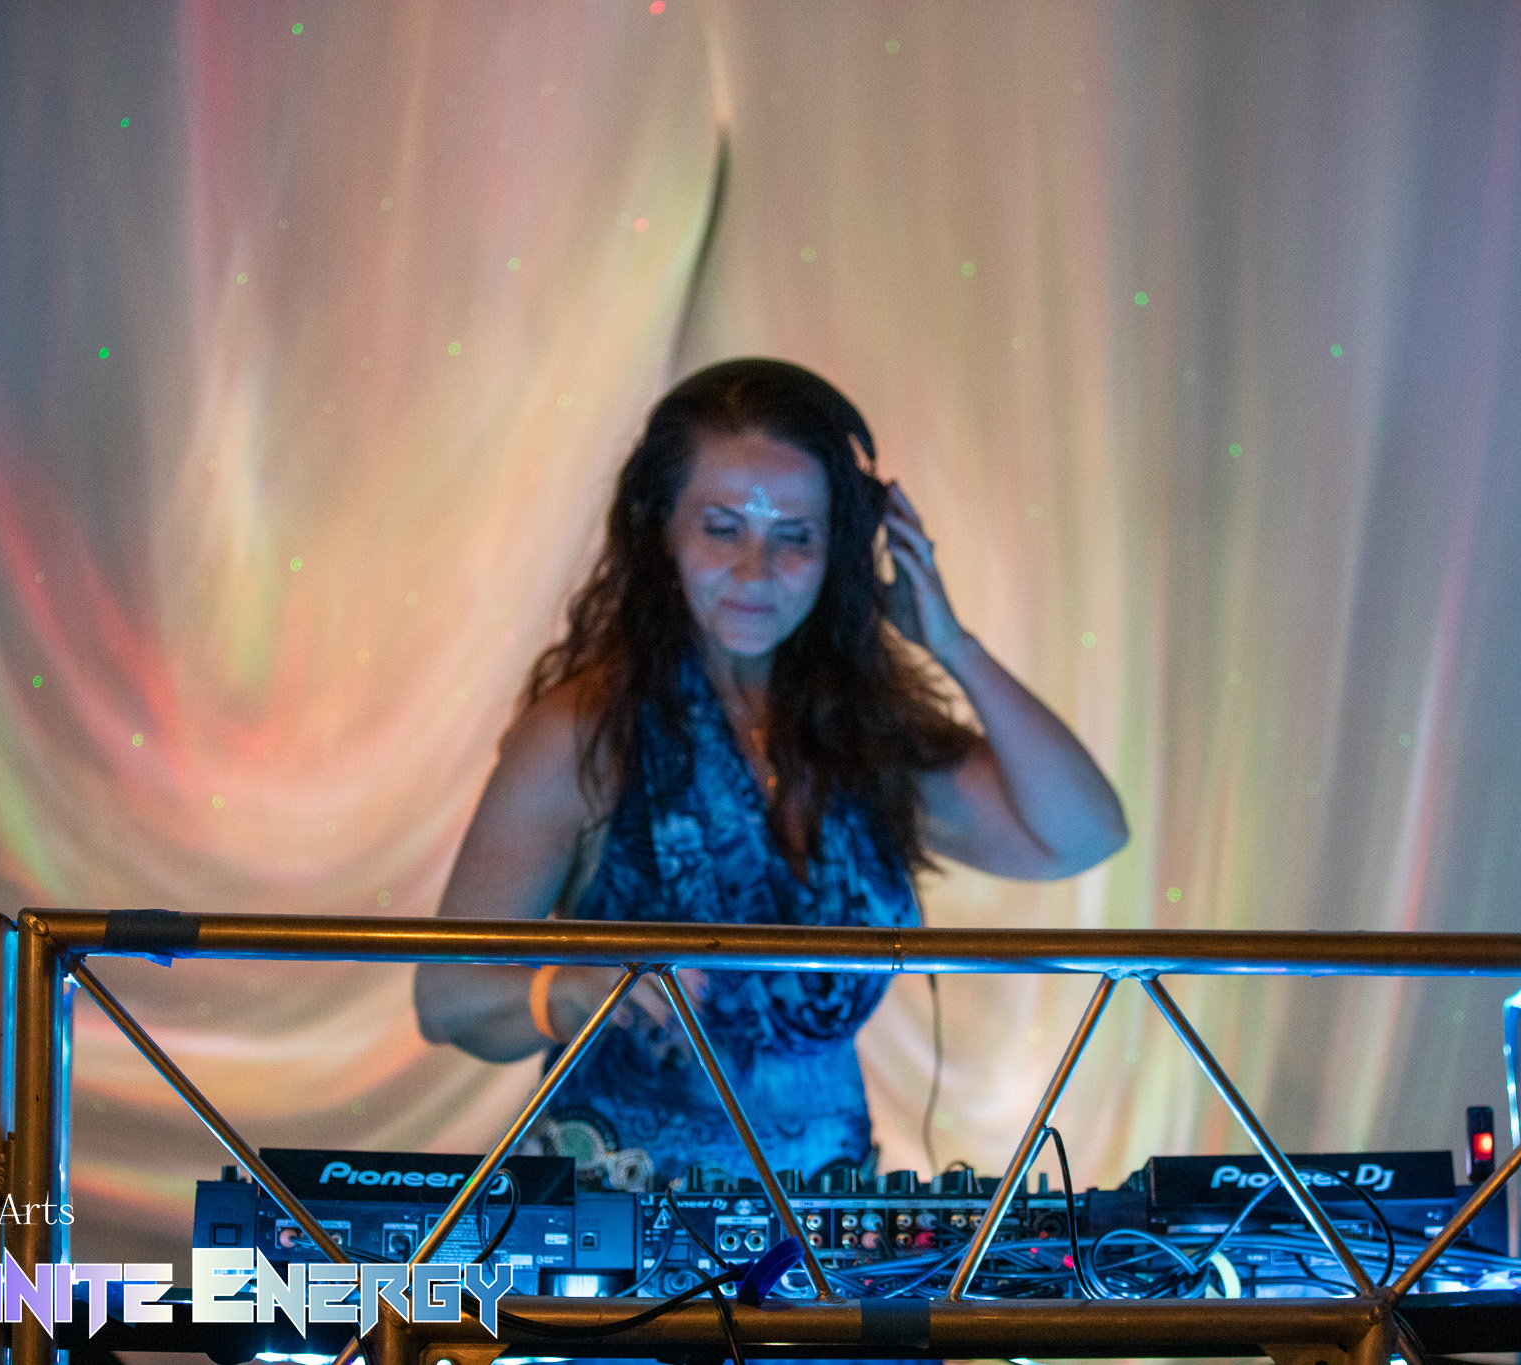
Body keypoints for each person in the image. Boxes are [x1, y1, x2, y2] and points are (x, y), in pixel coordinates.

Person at [414, 358, 1126, 1198]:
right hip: (618, 1241)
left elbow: (1082, 835)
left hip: (825, 1244)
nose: (756, 569)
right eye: (723, 528)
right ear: (662, 530)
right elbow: (447, 997)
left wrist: (951, 644)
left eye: (796, 537)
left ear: (843, 550)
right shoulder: (583, 731)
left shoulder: (861, 734)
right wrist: (568, 992)